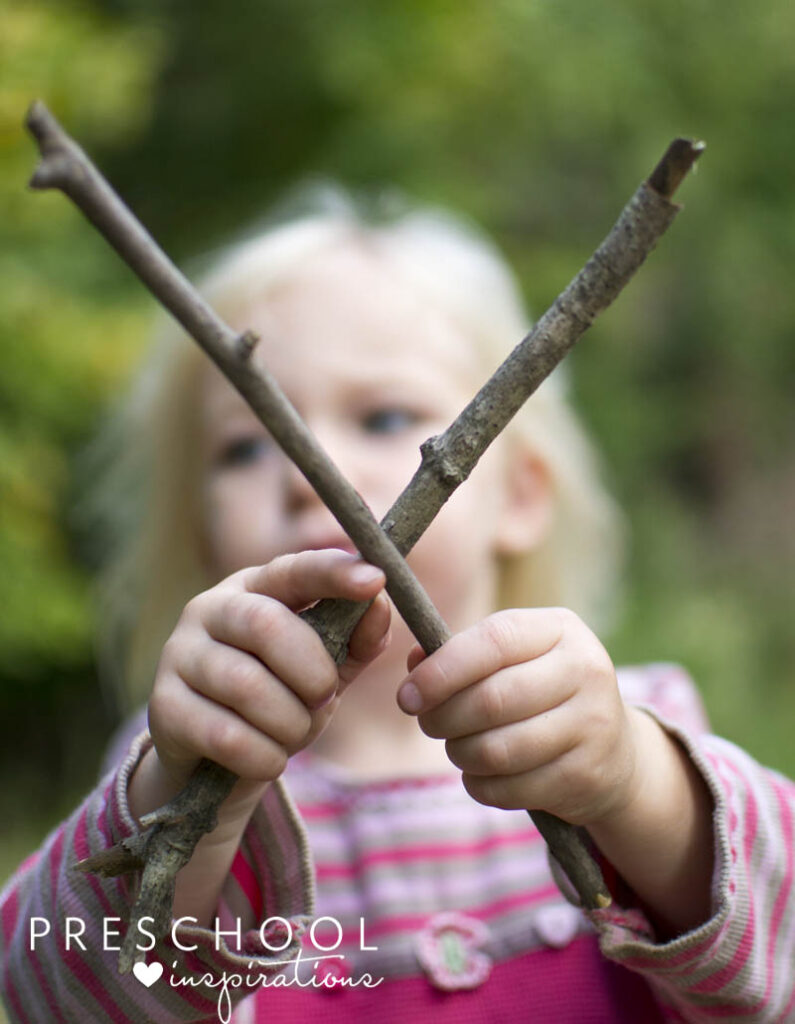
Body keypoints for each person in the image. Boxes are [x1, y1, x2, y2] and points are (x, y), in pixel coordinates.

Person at [2, 193, 794, 1023]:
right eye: (243, 446)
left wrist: (635, 787)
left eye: (383, 416)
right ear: (199, 535)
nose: (311, 474)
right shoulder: (168, 767)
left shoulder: (627, 733)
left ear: (521, 494)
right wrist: (199, 803)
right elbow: (56, 1001)